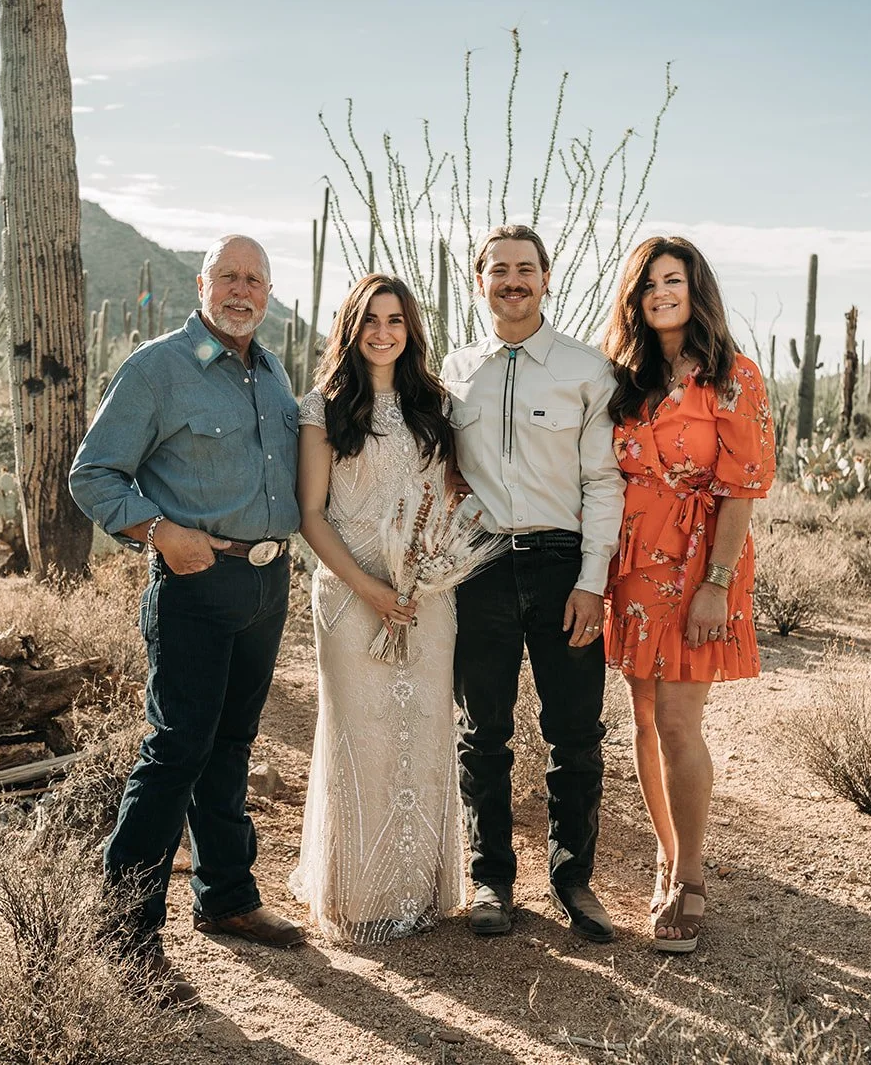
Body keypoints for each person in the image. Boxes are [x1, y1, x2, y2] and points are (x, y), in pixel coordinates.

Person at [69, 234, 304, 1007]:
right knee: (175, 751)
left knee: (232, 745)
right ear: (201, 283)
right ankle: (125, 934)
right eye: (228, 276)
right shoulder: (157, 368)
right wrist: (159, 531)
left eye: (256, 279)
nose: (242, 290)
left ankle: (227, 894)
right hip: (195, 584)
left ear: (269, 293)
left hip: (267, 585)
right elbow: (93, 472)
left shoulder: (271, 373)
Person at [440, 224, 625, 942]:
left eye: (525, 269)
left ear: (547, 278)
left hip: (562, 566)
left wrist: (592, 581)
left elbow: (602, 482)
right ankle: (491, 877)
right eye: (498, 270)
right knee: (481, 731)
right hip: (480, 566)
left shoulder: (587, 370)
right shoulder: (455, 372)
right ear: (479, 281)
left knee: (575, 732)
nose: (512, 281)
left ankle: (573, 880)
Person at [601, 236, 776, 954]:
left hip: (702, 563)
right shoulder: (625, 376)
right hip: (635, 561)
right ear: (636, 299)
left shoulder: (735, 377)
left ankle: (692, 875)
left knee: (678, 721)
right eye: (649, 285)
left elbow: (741, 488)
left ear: (695, 289)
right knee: (642, 716)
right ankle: (667, 850)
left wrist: (713, 584)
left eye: (673, 281)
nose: (661, 294)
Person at [288, 273, 466, 943]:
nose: (384, 332)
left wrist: (426, 571)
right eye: (371, 320)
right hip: (348, 592)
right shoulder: (322, 408)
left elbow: (449, 497)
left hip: (425, 598)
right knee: (358, 733)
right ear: (352, 328)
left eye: (396, 320)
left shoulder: (436, 406)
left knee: (421, 730)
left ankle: (417, 889)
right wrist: (371, 589)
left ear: (411, 329)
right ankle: (358, 894)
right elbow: (311, 514)